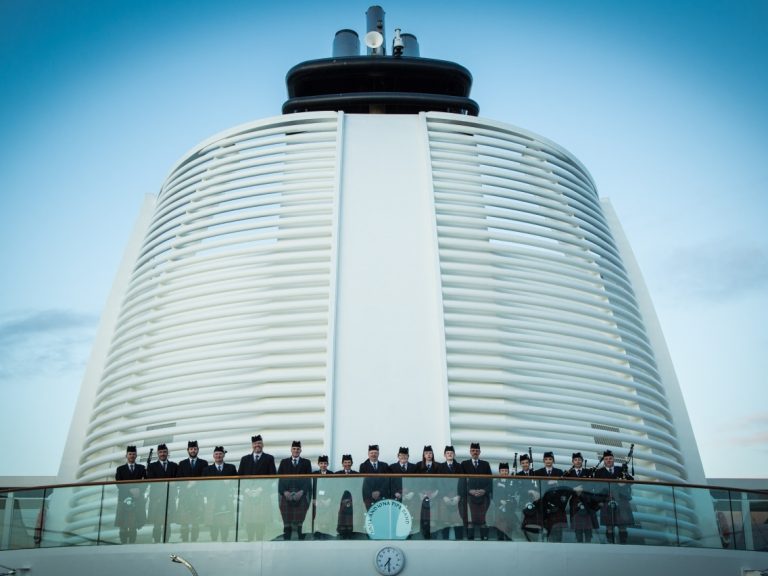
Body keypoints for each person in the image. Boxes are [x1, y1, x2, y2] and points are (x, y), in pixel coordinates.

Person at [237, 434, 277, 541]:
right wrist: (246, 490)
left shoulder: (269, 458)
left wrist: (260, 489)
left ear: (263, 444)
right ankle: (250, 540)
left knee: (261, 520)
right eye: (255, 443)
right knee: (249, 520)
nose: (257, 445)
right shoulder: (244, 459)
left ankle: (260, 541)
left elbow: (273, 476)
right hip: (248, 494)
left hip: (262, 494)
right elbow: (240, 477)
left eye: (259, 443)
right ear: (252, 445)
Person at [594, 449, 634, 544]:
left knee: (622, 525)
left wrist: (624, 483)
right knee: (609, 525)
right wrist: (599, 501)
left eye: (610, 458)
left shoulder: (620, 469)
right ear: (604, 460)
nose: (608, 460)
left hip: (621, 499)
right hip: (606, 499)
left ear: (613, 459)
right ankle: (610, 545)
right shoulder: (599, 472)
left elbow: (631, 480)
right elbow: (596, 487)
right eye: (606, 459)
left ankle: (623, 543)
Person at [277, 441, 313, 540]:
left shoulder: (306, 462)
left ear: (301, 450)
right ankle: (287, 540)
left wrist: (302, 492)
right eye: (294, 449)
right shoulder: (284, 462)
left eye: (298, 449)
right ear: (291, 450)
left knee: (301, 520)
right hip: (286, 494)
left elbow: (308, 480)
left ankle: (301, 539)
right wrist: (284, 492)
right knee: (287, 521)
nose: (296, 450)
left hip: (301, 494)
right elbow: (279, 479)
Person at [174, 440, 208, 542]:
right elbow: (178, 479)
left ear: (198, 450)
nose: (193, 450)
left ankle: (194, 541)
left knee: (195, 522)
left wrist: (196, 483)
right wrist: (187, 485)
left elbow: (206, 479)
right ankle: (184, 540)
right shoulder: (182, 463)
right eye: (191, 449)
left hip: (198, 496)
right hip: (185, 496)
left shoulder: (204, 463)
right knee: (184, 522)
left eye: (195, 449)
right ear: (188, 450)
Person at [202, 446, 237, 541]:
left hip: (226, 499)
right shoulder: (207, 470)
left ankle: (224, 543)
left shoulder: (231, 468)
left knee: (225, 525)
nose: (218, 456)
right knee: (213, 525)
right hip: (212, 500)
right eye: (216, 454)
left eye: (220, 454)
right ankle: (214, 543)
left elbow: (236, 483)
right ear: (213, 455)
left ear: (224, 455)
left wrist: (230, 482)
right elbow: (203, 486)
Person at [460, 442, 492, 540]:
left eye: (477, 451)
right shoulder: (464, 464)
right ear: (470, 452)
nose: (475, 452)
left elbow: (490, 481)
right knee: (470, 521)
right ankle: (470, 538)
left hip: (483, 497)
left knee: (483, 520)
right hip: (469, 496)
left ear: (480, 452)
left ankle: (484, 538)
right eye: (473, 450)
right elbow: (461, 482)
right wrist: (469, 491)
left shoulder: (485, 464)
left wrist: (484, 491)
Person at [114, 445, 147, 544]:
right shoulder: (120, 469)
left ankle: (132, 544)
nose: (132, 456)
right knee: (123, 525)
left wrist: (139, 490)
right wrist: (131, 490)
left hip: (137, 499)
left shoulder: (141, 468)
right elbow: (119, 483)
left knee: (134, 525)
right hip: (123, 499)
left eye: (133, 454)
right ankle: (123, 544)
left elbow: (146, 482)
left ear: (136, 455)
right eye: (130, 454)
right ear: (126, 455)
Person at [146, 443, 178, 543]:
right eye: (160, 452)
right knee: (157, 524)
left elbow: (177, 480)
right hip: (157, 498)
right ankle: (156, 543)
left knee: (168, 523)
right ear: (157, 453)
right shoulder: (151, 466)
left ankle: (166, 542)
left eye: (164, 452)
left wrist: (173, 483)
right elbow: (151, 480)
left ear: (167, 453)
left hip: (170, 497)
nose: (162, 454)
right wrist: (167, 483)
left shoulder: (174, 466)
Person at [564, 452, 597, 543]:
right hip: (575, 500)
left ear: (582, 461)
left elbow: (593, 485)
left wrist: (583, 488)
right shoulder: (568, 473)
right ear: (573, 462)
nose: (577, 461)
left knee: (588, 527)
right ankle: (579, 542)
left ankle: (588, 542)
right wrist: (573, 489)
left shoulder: (588, 472)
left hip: (587, 500)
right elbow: (565, 486)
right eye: (575, 460)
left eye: (579, 460)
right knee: (577, 527)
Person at [534, 451, 566, 542]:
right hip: (543, 503)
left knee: (557, 527)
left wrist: (556, 482)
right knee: (544, 526)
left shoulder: (559, 472)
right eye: (546, 459)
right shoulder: (538, 472)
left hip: (556, 503)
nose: (548, 461)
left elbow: (563, 486)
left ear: (553, 460)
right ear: (543, 461)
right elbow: (536, 486)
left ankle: (557, 544)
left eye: (550, 459)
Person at [437, 445, 464, 540]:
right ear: (444, 455)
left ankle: (459, 541)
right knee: (445, 520)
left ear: (454, 454)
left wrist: (459, 496)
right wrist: (444, 496)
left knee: (458, 521)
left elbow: (462, 481)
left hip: (457, 497)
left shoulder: (459, 466)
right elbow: (438, 482)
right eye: (447, 453)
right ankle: (445, 540)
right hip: (445, 497)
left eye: (451, 453)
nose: (449, 454)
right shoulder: (440, 467)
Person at [415, 445, 440, 539]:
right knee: (424, 517)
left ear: (432, 454)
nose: (428, 455)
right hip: (422, 495)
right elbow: (415, 481)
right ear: (423, 455)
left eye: (430, 453)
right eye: (426, 453)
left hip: (434, 495)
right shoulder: (418, 465)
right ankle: (425, 536)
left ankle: (434, 536)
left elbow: (440, 481)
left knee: (433, 518)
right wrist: (420, 493)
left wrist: (435, 493)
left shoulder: (438, 465)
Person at [515, 453, 542, 540]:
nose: (525, 464)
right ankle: (526, 540)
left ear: (529, 463)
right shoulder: (518, 475)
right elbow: (518, 489)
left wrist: (537, 493)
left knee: (535, 523)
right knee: (525, 523)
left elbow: (539, 485)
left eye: (526, 462)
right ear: (520, 464)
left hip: (535, 502)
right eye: (523, 463)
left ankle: (535, 540)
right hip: (524, 501)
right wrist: (529, 491)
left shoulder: (535, 473)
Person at [359, 444, 389, 510]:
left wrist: (380, 492)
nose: (373, 454)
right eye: (371, 453)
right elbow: (363, 482)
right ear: (368, 454)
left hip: (382, 497)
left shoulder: (384, 465)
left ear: (378, 454)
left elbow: (387, 481)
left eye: (375, 453)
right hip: (369, 498)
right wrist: (371, 493)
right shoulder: (363, 466)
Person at [493, 462, 517, 541]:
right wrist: (500, 501)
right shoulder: (495, 482)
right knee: (499, 524)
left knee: (509, 524)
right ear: (499, 472)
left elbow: (513, 492)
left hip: (509, 506)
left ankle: (509, 539)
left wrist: (503, 486)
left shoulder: (512, 482)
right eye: (502, 471)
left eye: (506, 471)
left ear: (508, 471)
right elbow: (493, 494)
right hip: (499, 506)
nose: (504, 472)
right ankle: (499, 539)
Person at [312, 455, 335, 539]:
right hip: (317, 500)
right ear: (318, 464)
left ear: (327, 464)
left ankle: (326, 532)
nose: (323, 465)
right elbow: (312, 487)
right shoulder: (314, 474)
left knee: (326, 517)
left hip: (328, 500)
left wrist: (329, 499)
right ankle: (318, 532)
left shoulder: (332, 474)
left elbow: (334, 488)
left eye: (325, 463)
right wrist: (314, 499)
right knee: (318, 517)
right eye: (321, 463)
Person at [335, 454, 357, 539]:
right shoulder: (337, 474)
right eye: (345, 462)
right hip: (340, 499)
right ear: (342, 463)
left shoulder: (356, 474)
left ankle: (351, 532)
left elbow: (357, 488)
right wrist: (341, 499)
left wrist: (352, 499)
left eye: (349, 462)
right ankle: (342, 532)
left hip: (352, 499)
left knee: (351, 517)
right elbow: (335, 488)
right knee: (342, 517)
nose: (347, 464)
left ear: (351, 463)